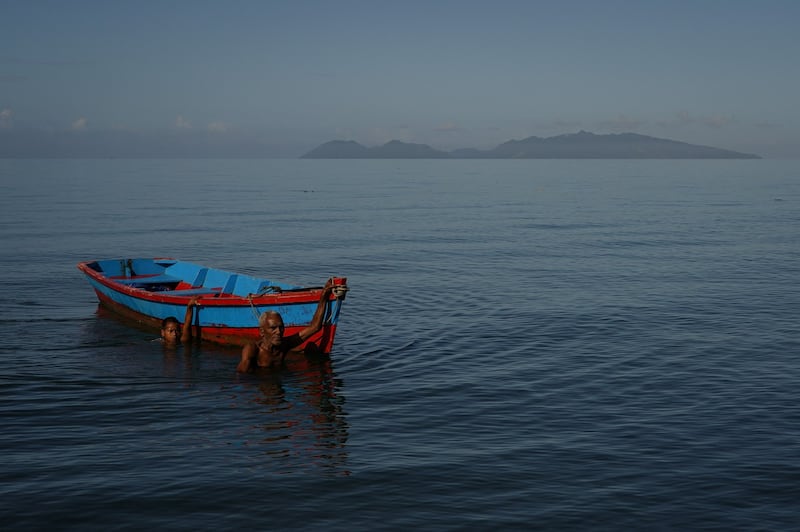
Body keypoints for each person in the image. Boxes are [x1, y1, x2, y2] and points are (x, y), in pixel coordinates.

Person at [237, 279, 334, 372]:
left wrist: (324, 295)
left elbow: (315, 327)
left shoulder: (285, 344)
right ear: (262, 332)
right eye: (273, 328)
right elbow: (241, 377)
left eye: (281, 327)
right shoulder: (253, 349)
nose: (279, 332)